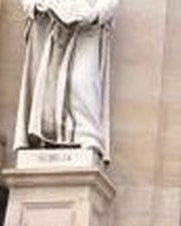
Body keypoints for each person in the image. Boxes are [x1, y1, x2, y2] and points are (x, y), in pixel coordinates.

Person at [16, 0, 119, 160]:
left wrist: (96, 14)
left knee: (83, 81)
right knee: (47, 86)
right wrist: (36, 6)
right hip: (51, 25)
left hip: (87, 27)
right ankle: (47, 137)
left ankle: (86, 135)